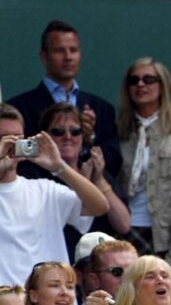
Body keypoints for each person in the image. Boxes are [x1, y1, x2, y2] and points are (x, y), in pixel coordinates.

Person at [0, 103, 108, 286]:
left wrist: (59, 166)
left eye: (18, 138)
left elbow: (99, 206)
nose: (12, 144)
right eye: (3, 138)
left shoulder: (45, 190)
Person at [115, 57, 171, 281]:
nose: (141, 85)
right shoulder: (118, 132)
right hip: (120, 232)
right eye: (134, 80)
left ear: (163, 86)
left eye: (149, 79)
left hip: (160, 236)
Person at [7, 20, 121, 180]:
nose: (68, 57)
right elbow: (12, 148)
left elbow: (114, 157)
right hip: (37, 192)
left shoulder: (101, 107)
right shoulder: (18, 107)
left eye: (73, 50)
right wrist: (49, 144)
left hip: (90, 194)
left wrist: (88, 141)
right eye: (59, 51)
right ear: (43, 56)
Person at [40, 102, 131, 238]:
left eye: (75, 131)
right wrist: (83, 181)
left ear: (83, 138)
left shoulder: (94, 168)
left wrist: (98, 180)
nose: (68, 137)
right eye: (58, 132)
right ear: (45, 137)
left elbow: (124, 225)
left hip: (97, 254)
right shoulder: (35, 175)